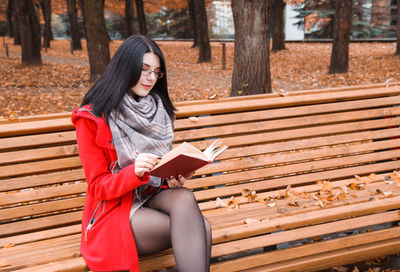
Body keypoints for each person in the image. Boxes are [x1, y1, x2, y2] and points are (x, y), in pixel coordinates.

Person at [71, 35, 212, 272]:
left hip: (151, 196)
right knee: (201, 228)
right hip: (116, 210)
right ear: (125, 68)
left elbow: (159, 174)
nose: (150, 78)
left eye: (156, 72)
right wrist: (133, 172)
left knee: (184, 197)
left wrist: (173, 179)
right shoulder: (92, 118)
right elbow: (98, 186)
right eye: (144, 70)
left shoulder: (160, 111)